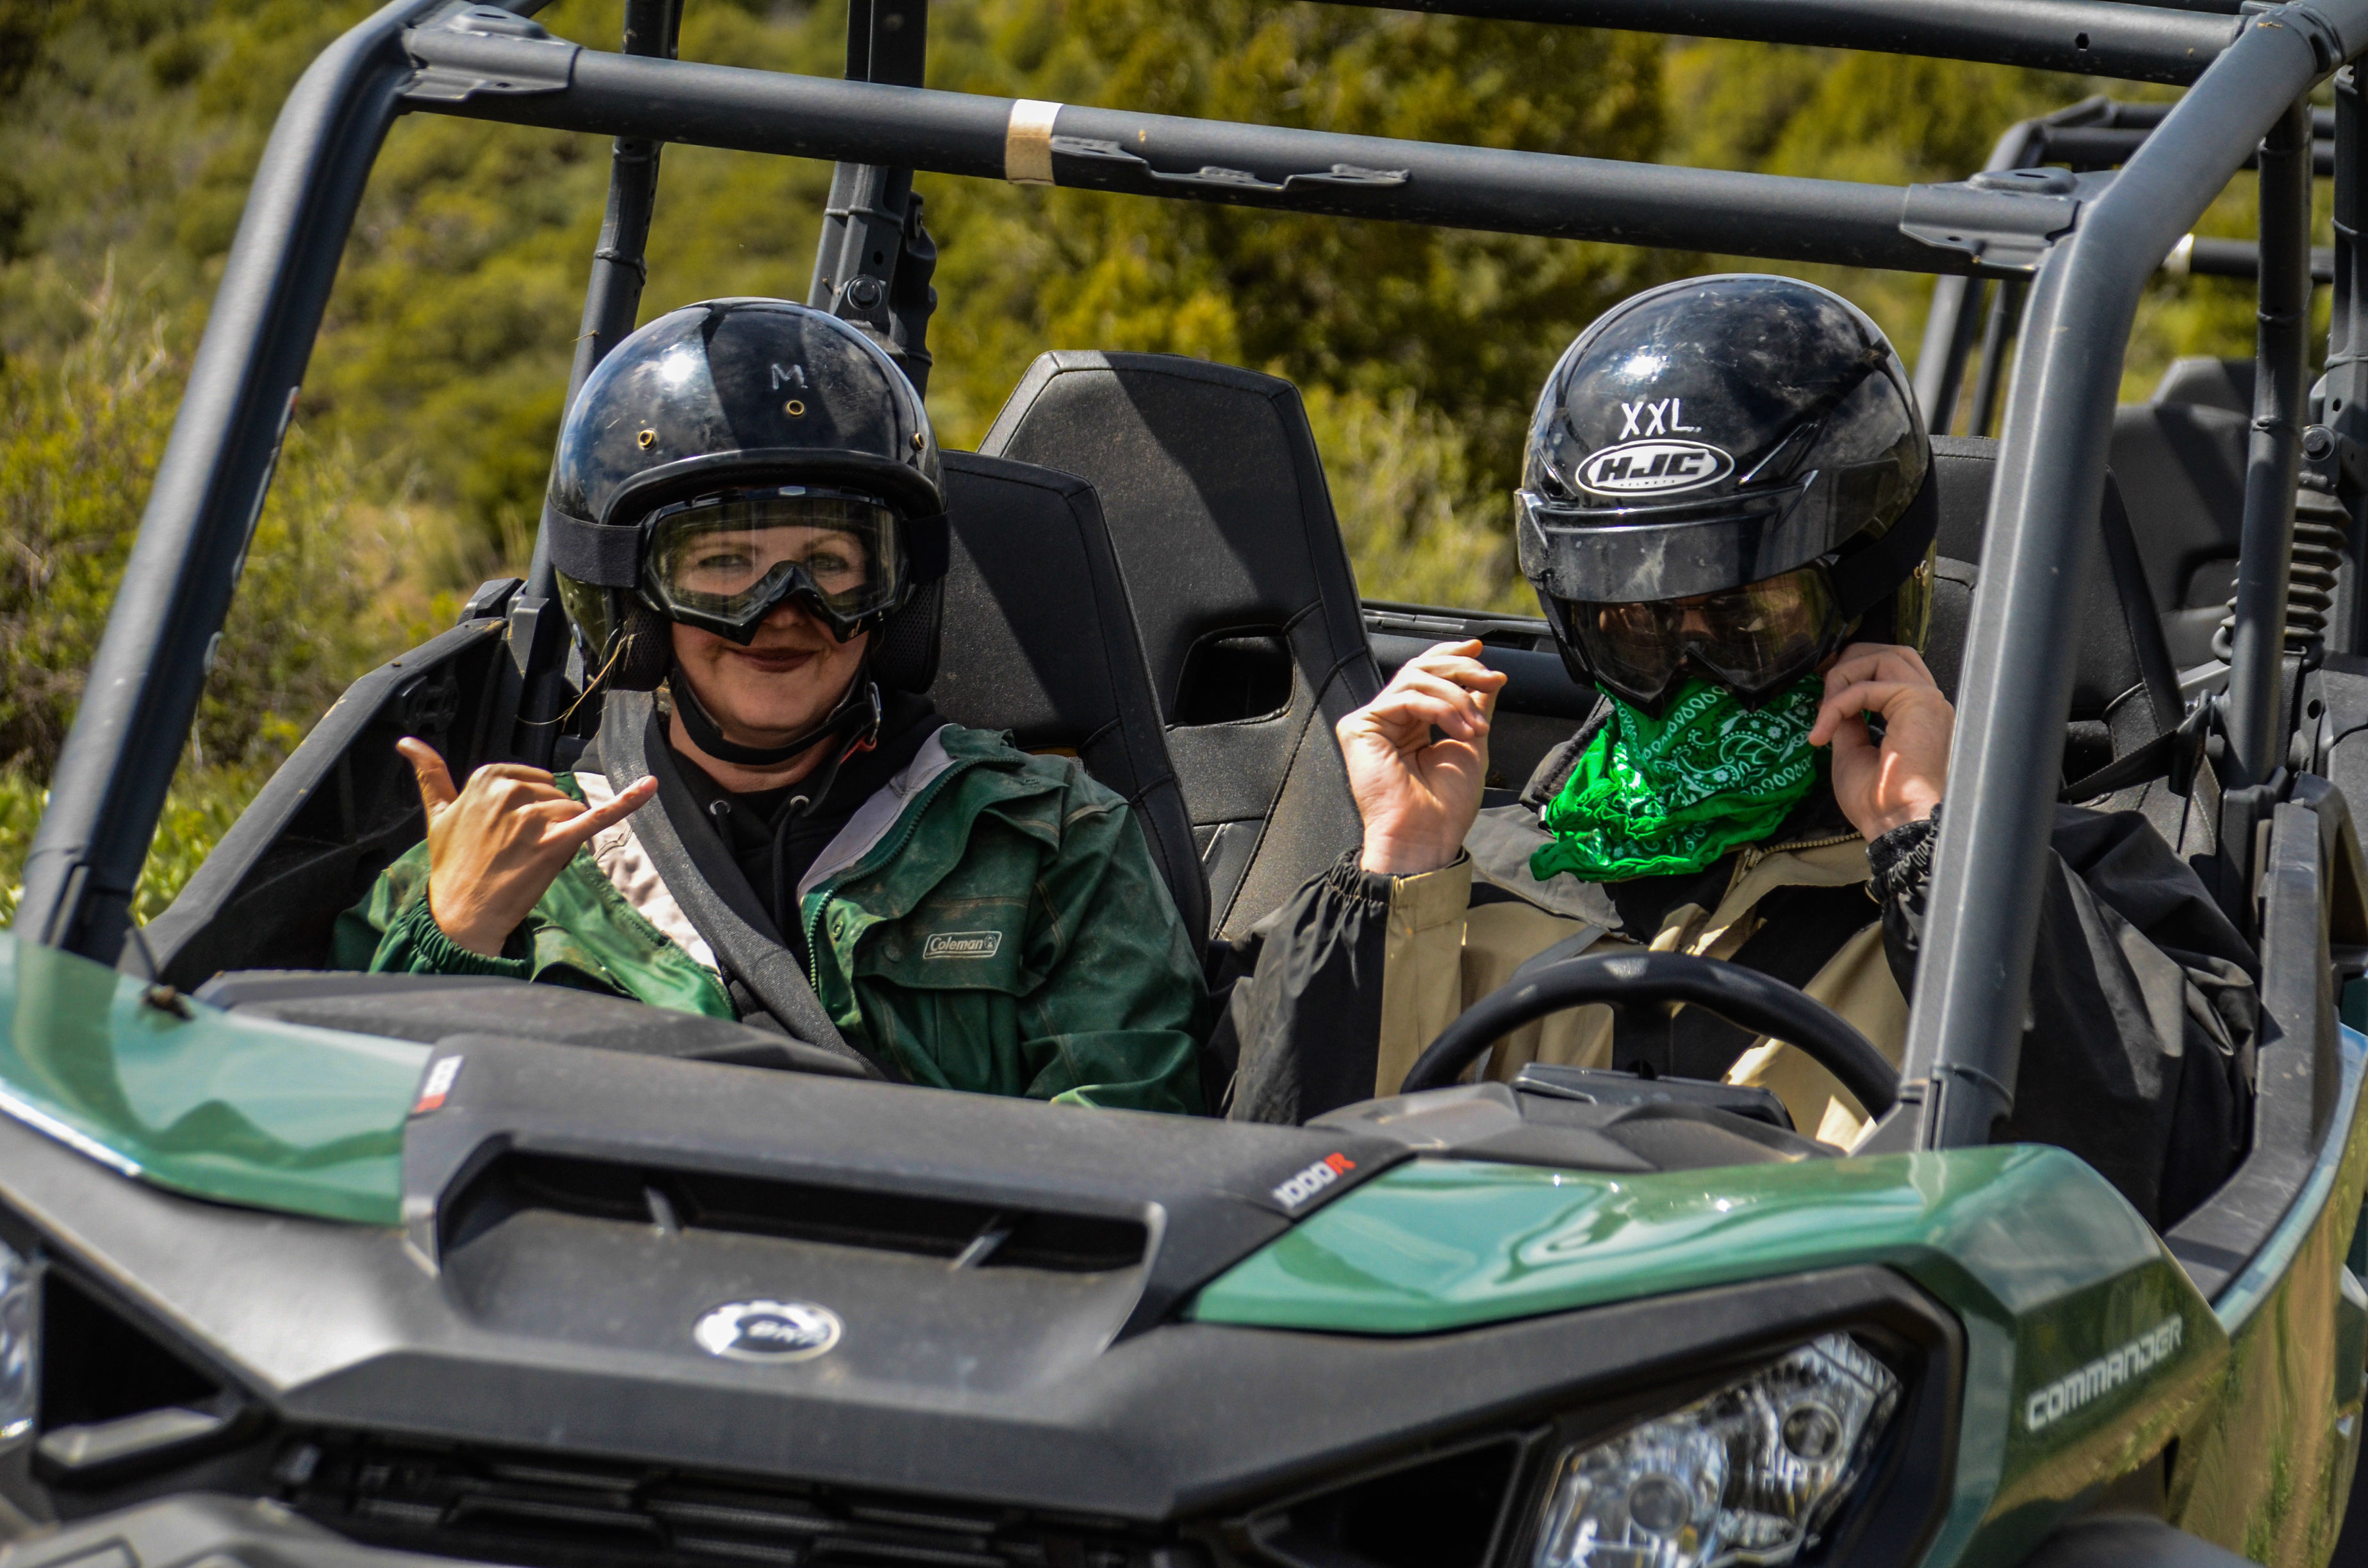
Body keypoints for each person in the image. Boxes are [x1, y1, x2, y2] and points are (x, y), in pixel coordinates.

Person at [1221, 275, 2257, 1228]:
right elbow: (1260, 1201)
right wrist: (1397, 872)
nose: (1690, 669)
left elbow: (2169, 1178)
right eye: (1635, 624)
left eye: (1745, 617)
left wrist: (1936, 845)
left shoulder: (2060, 884)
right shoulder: (1481, 875)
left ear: (1868, 595)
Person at [334, 298, 1205, 1112]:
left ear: (894, 591)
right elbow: (349, 1139)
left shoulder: (1049, 844)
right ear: (635, 599)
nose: (783, 613)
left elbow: (1127, 1142)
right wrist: (453, 934)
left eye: (829, 565)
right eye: (722, 567)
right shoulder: (514, 850)